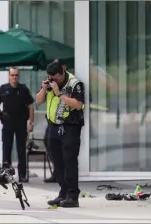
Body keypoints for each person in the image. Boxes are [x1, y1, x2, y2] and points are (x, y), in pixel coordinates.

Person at [36, 61, 85, 208]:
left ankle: (73, 196)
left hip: (70, 127)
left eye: (56, 78)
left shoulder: (75, 84)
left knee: (69, 161)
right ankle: (63, 193)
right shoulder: (50, 82)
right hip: (53, 126)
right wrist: (44, 89)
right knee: (57, 162)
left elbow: (78, 104)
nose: (54, 81)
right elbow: (38, 101)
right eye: (51, 78)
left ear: (63, 72)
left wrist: (59, 94)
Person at [0, 67, 35, 182]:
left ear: (18, 76)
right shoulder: (3, 89)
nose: (14, 77)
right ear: (9, 76)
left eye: (16, 75)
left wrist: (31, 122)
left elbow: (31, 105)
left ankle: (22, 174)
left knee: (21, 149)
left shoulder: (23, 89)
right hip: (8, 122)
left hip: (21, 122)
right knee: (7, 148)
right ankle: (6, 174)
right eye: (12, 75)